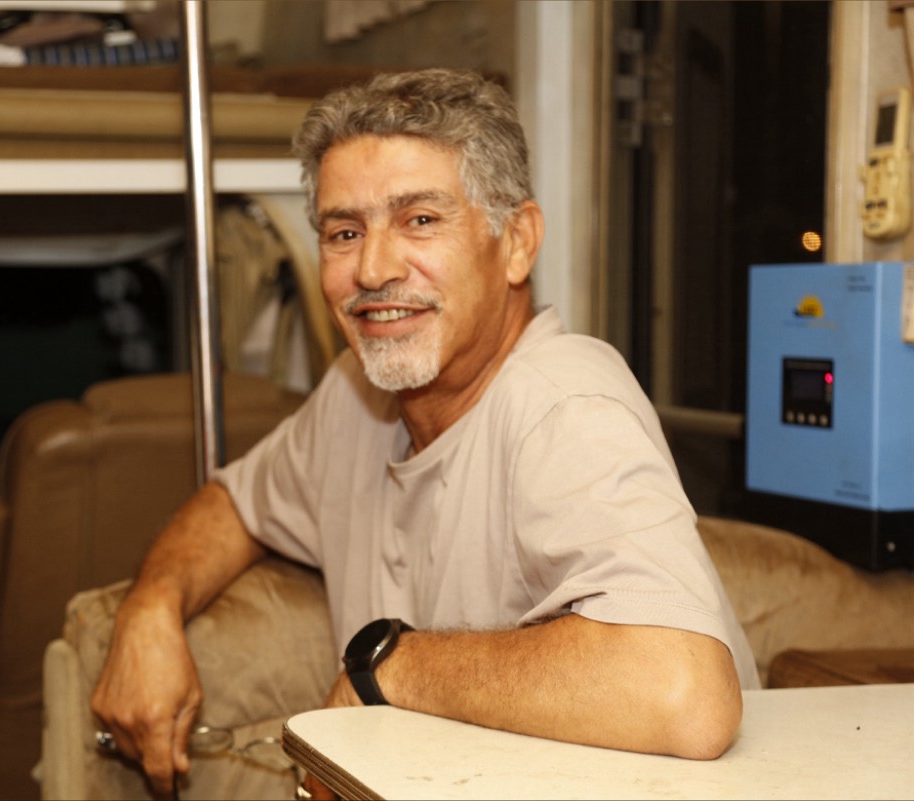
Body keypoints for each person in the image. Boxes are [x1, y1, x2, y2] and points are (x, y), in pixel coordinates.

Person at [90, 67, 759, 798]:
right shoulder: (356, 398)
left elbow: (685, 694)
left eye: (420, 220)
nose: (373, 269)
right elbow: (235, 505)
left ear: (518, 242)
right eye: (345, 232)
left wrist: (390, 667)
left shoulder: (563, 401)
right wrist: (151, 608)